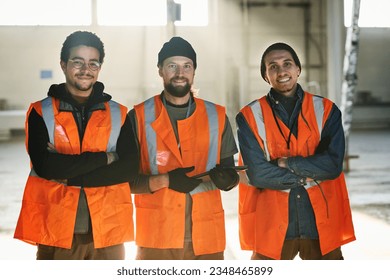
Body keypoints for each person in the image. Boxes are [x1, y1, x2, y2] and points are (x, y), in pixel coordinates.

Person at [14, 31, 139, 260]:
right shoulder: (41, 112)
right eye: (77, 62)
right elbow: (47, 167)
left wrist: (71, 176)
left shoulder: (119, 114)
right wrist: (107, 158)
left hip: (109, 232)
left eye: (93, 63)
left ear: (100, 67)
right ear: (63, 65)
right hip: (57, 230)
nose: (85, 69)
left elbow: (129, 169)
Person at [236, 42, 356, 260]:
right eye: (273, 66)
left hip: (320, 220)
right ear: (265, 76)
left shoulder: (327, 110)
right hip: (272, 222)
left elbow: (332, 166)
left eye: (287, 64)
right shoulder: (249, 116)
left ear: (298, 69)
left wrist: (285, 163)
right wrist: (309, 173)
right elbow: (258, 174)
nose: (281, 71)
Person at [128, 36, 239, 260]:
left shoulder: (216, 116)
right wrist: (165, 180)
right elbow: (125, 181)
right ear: (160, 70)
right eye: (172, 66)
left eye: (187, 66)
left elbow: (231, 173)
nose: (180, 73)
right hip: (157, 236)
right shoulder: (138, 116)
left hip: (206, 236)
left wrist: (228, 180)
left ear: (194, 71)